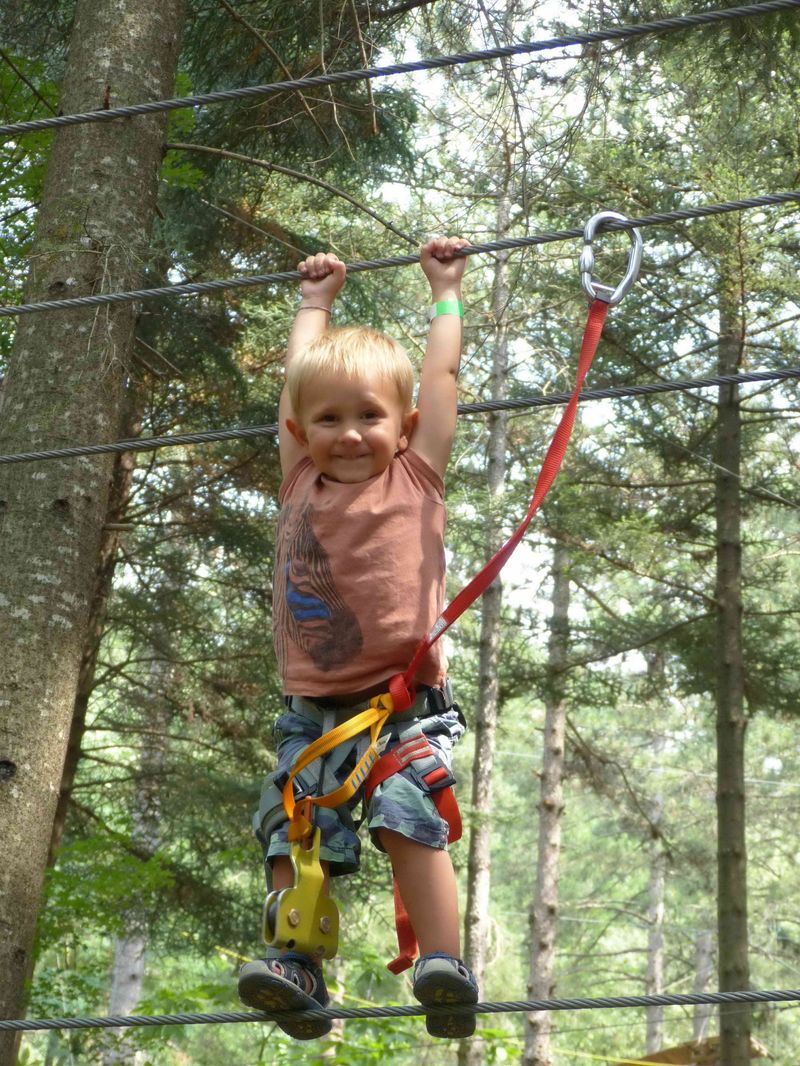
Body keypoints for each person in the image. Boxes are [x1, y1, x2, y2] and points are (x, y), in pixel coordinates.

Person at [238, 237, 478, 1041]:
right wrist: (315, 304)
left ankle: (444, 966)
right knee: (291, 822)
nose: (346, 434)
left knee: (405, 816)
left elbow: (440, 379)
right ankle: (296, 968)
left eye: (369, 417)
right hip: (312, 709)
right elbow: (295, 379)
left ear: (404, 426)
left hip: (402, 706)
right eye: (328, 420)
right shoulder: (298, 475)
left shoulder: (416, 474)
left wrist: (445, 291)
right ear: (300, 430)